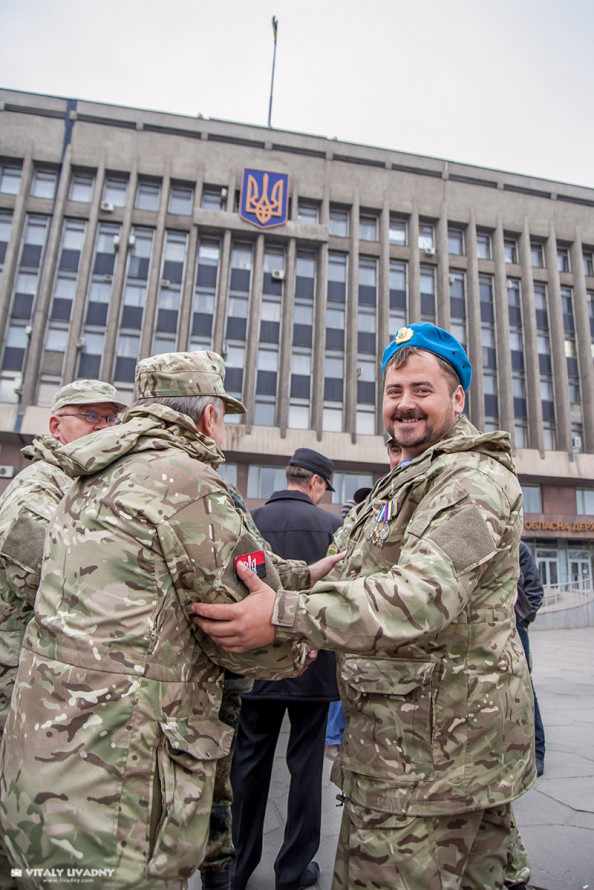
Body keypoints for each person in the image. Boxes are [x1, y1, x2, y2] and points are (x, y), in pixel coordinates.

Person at [193, 323, 536, 890]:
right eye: (394, 390)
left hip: (428, 762)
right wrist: (305, 616)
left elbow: (419, 597)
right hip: (424, 748)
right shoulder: (411, 475)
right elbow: (355, 568)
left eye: (422, 390)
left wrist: (285, 616)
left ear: (457, 399)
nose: (405, 404)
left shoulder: (470, 481)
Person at [0, 352, 340, 890]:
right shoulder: (186, 481)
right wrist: (301, 641)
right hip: (122, 775)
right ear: (208, 416)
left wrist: (297, 575)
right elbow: (236, 622)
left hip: (48, 754)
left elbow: (223, 562)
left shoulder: (85, 472)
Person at [231, 448, 342, 890]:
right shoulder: (332, 528)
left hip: (256, 662)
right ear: (315, 482)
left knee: (247, 765)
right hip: (312, 667)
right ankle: (293, 872)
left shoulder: (251, 522)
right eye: (324, 487)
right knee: (305, 769)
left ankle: (236, 868)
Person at [0, 379, 127, 731]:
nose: (103, 427)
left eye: (111, 419)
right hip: (18, 689)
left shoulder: (85, 485)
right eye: (90, 416)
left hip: (54, 685)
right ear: (56, 426)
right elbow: (53, 582)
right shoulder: (38, 486)